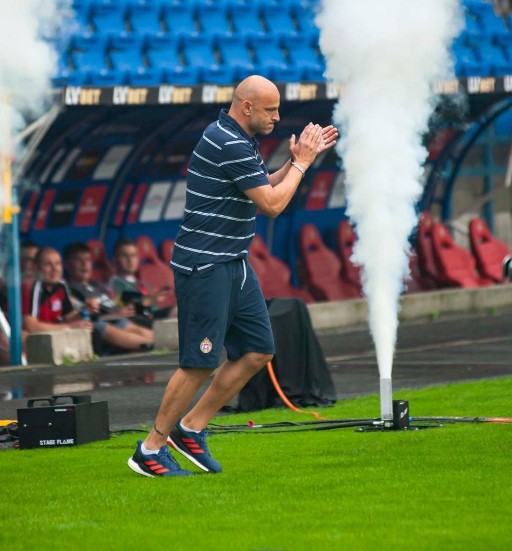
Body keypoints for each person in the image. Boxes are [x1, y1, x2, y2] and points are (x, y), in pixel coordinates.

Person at [128, 75, 338, 477]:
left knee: (258, 350)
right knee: (199, 363)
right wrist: (303, 163)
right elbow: (273, 205)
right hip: (205, 265)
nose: (277, 117)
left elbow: (260, 186)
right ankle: (150, 449)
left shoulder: (236, 137)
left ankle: (191, 428)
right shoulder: (228, 141)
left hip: (233, 262)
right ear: (246, 107)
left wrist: (292, 164)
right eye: (270, 109)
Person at [63, 242, 155, 353]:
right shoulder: (69, 290)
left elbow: (116, 302)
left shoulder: (98, 285)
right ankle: (154, 345)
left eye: (87, 259)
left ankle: (163, 343)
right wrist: (113, 315)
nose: (84, 264)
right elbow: (82, 315)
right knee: (120, 326)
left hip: (123, 320)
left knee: (141, 326)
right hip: (105, 323)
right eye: (78, 260)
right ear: (67, 264)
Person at [109, 237, 173, 322]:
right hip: (138, 322)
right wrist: (150, 300)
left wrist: (156, 296)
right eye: (125, 256)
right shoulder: (115, 283)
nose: (130, 260)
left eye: (133, 256)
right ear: (115, 259)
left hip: (154, 316)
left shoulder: (141, 282)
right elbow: (128, 309)